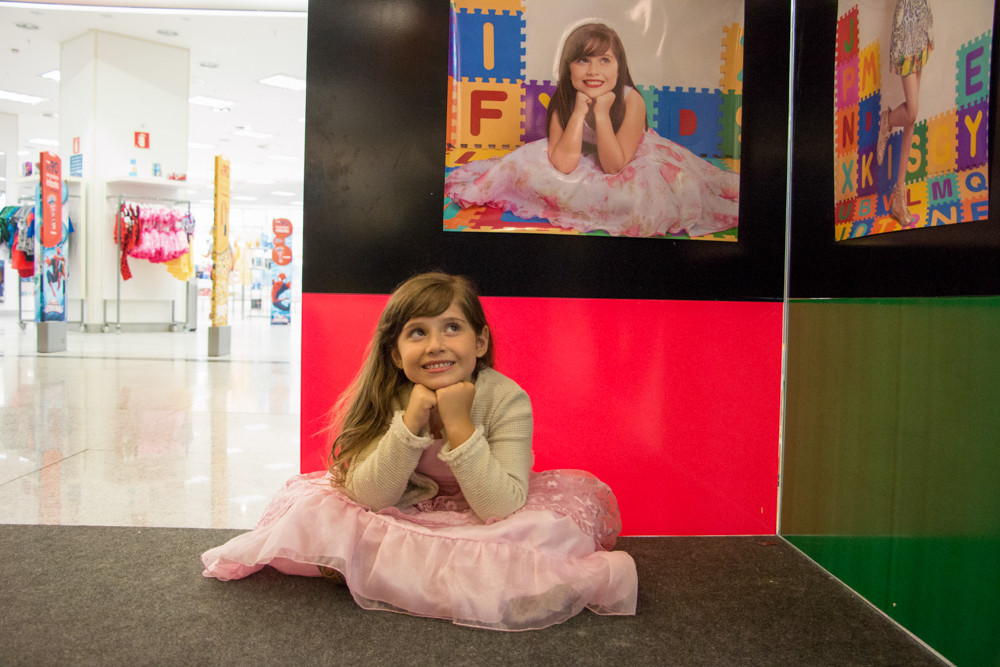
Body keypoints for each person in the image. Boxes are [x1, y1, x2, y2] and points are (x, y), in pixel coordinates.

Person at [201, 272, 637, 630]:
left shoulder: (508, 399)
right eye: (417, 332)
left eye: (452, 327)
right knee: (328, 513)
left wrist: (459, 424)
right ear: (396, 354)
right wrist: (411, 424)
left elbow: (500, 506)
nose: (435, 345)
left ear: (480, 342)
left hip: (484, 509)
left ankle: (386, 571)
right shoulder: (388, 395)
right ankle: (403, 571)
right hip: (404, 506)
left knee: (534, 537)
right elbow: (370, 497)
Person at [445, 22, 740, 238]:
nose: (593, 71)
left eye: (604, 60)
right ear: (568, 67)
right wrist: (578, 112)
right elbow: (563, 163)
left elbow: (614, 165)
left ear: (618, 68)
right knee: (520, 167)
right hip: (582, 152)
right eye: (583, 60)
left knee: (642, 195)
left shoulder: (632, 100)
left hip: (627, 154)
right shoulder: (564, 99)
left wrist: (600, 113)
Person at [877, 0, 933, 226]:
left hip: (921, 20)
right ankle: (888, 120)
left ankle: (899, 198)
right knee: (911, 112)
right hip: (905, 28)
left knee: (912, 117)